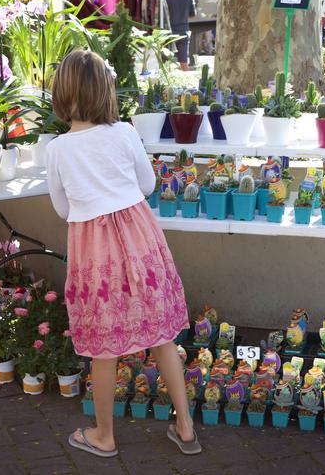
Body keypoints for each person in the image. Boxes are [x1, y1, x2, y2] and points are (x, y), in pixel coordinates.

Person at [46, 50, 202, 458]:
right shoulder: (125, 133)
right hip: (139, 240)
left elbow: (63, 209)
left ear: (61, 94)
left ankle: (104, 435)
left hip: (94, 251)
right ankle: (185, 427)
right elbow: (147, 184)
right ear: (105, 91)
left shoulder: (58, 149)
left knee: (103, 344)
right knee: (162, 336)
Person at [164, 0, 196, 71]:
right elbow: (193, 15)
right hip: (183, 30)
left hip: (169, 31)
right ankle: (187, 81)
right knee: (184, 61)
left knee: (167, 62)